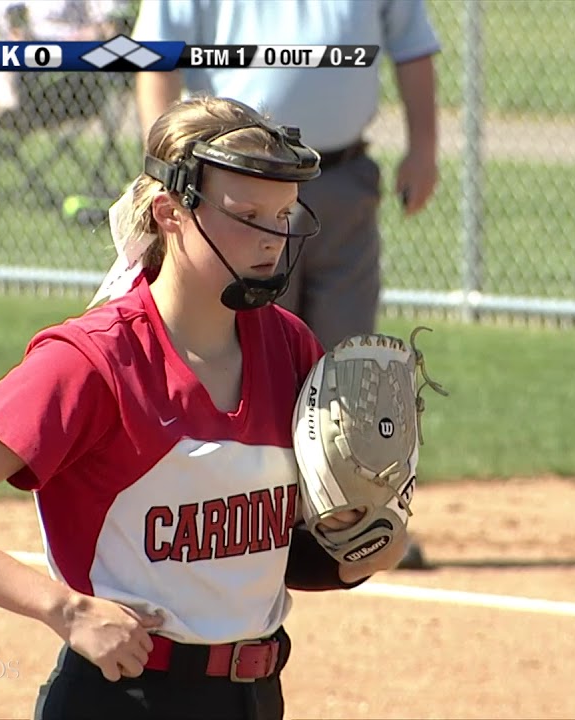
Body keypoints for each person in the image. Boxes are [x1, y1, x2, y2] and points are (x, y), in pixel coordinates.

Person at [0, 96, 407, 720]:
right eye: (247, 215)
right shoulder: (94, 360)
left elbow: (266, 554)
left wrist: (359, 550)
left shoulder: (289, 344)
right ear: (171, 213)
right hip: (125, 698)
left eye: (282, 215)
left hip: (254, 697)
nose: (272, 238)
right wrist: (63, 608)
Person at [134, 0, 441, 570]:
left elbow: (413, 46)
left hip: (344, 177)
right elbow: (155, 55)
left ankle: (346, 515)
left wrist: (424, 147)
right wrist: (162, 165)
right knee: (252, 350)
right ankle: (238, 514)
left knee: (346, 364)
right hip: (233, 197)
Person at [0, 0, 134, 218]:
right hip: (14, 71)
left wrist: (74, 40)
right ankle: (4, 98)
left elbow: (115, 27)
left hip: (68, 81)